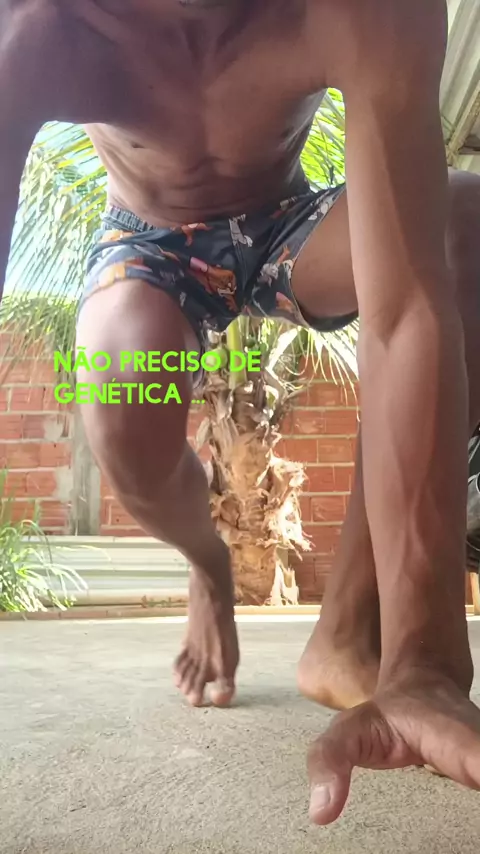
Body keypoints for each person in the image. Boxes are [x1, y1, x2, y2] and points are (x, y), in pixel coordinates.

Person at [1, 0, 480, 827]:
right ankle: (208, 566)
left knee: (467, 224)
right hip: (146, 244)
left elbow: (403, 314)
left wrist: (430, 666)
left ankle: (355, 634)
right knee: (123, 393)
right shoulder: (35, 26)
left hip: (289, 229)